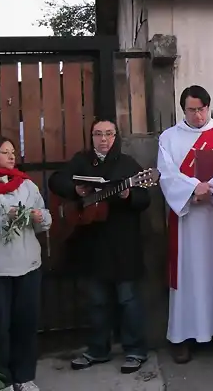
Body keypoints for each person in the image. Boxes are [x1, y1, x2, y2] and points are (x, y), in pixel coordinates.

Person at [48, 118, 151, 373]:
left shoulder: (128, 165)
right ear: (91, 136)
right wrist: (76, 190)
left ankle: (135, 350)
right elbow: (55, 181)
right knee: (97, 301)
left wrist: (129, 195)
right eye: (98, 134)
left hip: (122, 245)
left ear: (116, 136)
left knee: (128, 299)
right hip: (91, 245)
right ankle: (97, 350)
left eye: (108, 134)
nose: (103, 139)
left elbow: (145, 199)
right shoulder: (80, 161)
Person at [157, 85, 213, 363]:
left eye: (202, 109)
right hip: (188, 219)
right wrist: (194, 189)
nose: (198, 115)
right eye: (192, 110)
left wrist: (210, 188)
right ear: (183, 109)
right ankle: (183, 336)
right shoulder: (169, 137)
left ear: (209, 107)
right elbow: (166, 174)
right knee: (189, 274)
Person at [0, 136, 52, 391]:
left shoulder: (25, 185)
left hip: (28, 266)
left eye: (13, 152)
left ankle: (24, 377)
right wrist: (2, 219)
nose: (12, 157)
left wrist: (39, 217)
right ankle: (2, 379)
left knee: (25, 324)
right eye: (5, 152)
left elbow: (45, 218)